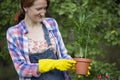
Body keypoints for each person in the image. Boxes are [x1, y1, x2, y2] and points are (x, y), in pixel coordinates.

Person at [6, 0, 76, 80]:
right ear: (25, 7)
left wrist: (73, 64)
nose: (43, 13)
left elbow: (63, 55)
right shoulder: (14, 33)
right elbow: (22, 69)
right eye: (38, 9)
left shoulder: (51, 23)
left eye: (45, 8)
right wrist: (48, 64)